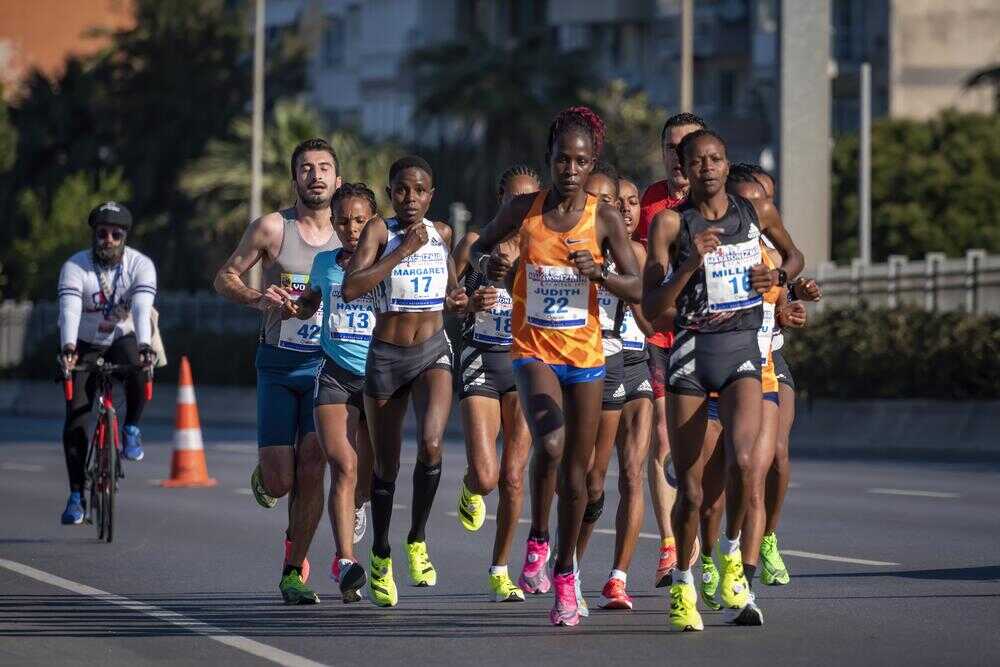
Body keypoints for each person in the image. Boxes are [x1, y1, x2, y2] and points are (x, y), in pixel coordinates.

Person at [470, 107, 641, 627]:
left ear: (593, 165)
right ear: (549, 160)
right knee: (550, 442)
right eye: (562, 159)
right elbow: (478, 249)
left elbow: (638, 287)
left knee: (582, 476)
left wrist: (603, 274)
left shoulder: (604, 218)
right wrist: (493, 264)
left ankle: (564, 571)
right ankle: (538, 541)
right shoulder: (526, 210)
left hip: (587, 356)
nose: (570, 168)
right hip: (533, 350)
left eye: (581, 161)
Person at [642, 129, 805, 631]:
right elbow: (652, 308)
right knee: (691, 492)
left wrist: (775, 279)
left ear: (726, 162)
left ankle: (735, 555)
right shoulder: (671, 223)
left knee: (745, 461)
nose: (708, 168)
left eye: (715, 159)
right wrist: (691, 262)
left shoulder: (754, 214)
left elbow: (794, 259)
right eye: (697, 162)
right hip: (692, 354)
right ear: (684, 170)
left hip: (742, 353)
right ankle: (686, 583)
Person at [214, 138, 342, 604]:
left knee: (313, 466)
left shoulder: (353, 233)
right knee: (282, 479)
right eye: (306, 168)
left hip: (328, 370)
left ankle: (293, 569)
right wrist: (256, 296)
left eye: (325, 167)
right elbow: (224, 277)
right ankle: (265, 478)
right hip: (277, 364)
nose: (316, 176)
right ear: (295, 180)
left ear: (338, 179)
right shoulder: (272, 228)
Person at [342, 155, 468, 608]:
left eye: (419, 190)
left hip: (433, 350)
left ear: (431, 195)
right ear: (391, 192)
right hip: (386, 357)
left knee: (433, 445)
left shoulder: (443, 233)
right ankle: (380, 553)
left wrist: (465, 300)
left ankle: (416, 539)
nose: (410, 198)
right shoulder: (380, 230)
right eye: (401, 190)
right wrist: (400, 253)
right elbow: (352, 287)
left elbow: (452, 294)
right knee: (386, 468)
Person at [451, 165, 540, 602]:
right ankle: (470, 486)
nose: (521, 208)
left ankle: (501, 569)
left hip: (524, 362)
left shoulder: (545, 247)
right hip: (481, 360)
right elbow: (450, 300)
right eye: (513, 200)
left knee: (513, 477)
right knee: (487, 476)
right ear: (501, 199)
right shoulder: (474, 244)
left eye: (530, 199)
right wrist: (470, 302)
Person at [290, 182, 378, 603]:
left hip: (380, 378)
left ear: (373, 221)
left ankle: (358, 506)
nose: (351, 227)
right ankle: (345, 561)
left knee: (368, 478)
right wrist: (298, 306)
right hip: (336, 375)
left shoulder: (387, 261)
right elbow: (313, 299)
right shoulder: (325, 262)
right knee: (342, 465)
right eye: (342, 220)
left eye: (360, 219)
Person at [637, 113, 707, 586]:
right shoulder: (650, 200)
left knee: (703, 451)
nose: (676, 155)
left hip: (711, 338)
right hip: (660, 338)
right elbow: (642, 268)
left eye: (685, 146)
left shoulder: (723, 202)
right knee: (661, 442)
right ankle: (669, 546)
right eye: (669, 146)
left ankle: (708, 540)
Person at [57, 201, 157, 524]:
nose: (109, 240)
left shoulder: (140, 265)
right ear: (94, 236)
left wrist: (144, 346)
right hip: (84, 341)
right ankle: (76, 495)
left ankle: (130, 428)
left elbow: (142, 308)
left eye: (116, 234)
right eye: (102, 234)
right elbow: (69, 311)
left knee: (141, 367)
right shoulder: (76, 267)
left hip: (122, 338)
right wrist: (69, 348)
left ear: (124, 237)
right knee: (76, 419)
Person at [584, 176, 658, 610]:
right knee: (593, 480)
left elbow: (653, 322)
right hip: (598, 365)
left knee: (633, 472)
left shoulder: (646, 256)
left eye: (633, 202)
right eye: (615, 202)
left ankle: (617, 578)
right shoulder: (585, 249)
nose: (627, 209)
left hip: (637, 364)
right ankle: (569, 562)